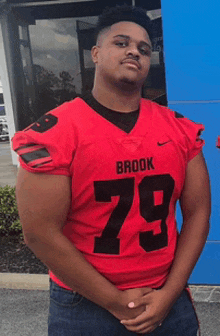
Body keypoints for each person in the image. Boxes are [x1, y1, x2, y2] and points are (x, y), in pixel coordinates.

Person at [12, 5, 211, 336]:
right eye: (121, 43)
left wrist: (170, 294)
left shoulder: (179, 130)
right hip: (85, 304)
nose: (134, 50)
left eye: (144, 48)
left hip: (167, 297)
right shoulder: (56, 133)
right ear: (95, 53)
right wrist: (116, 301)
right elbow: (40, 233)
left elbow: (199, 212)